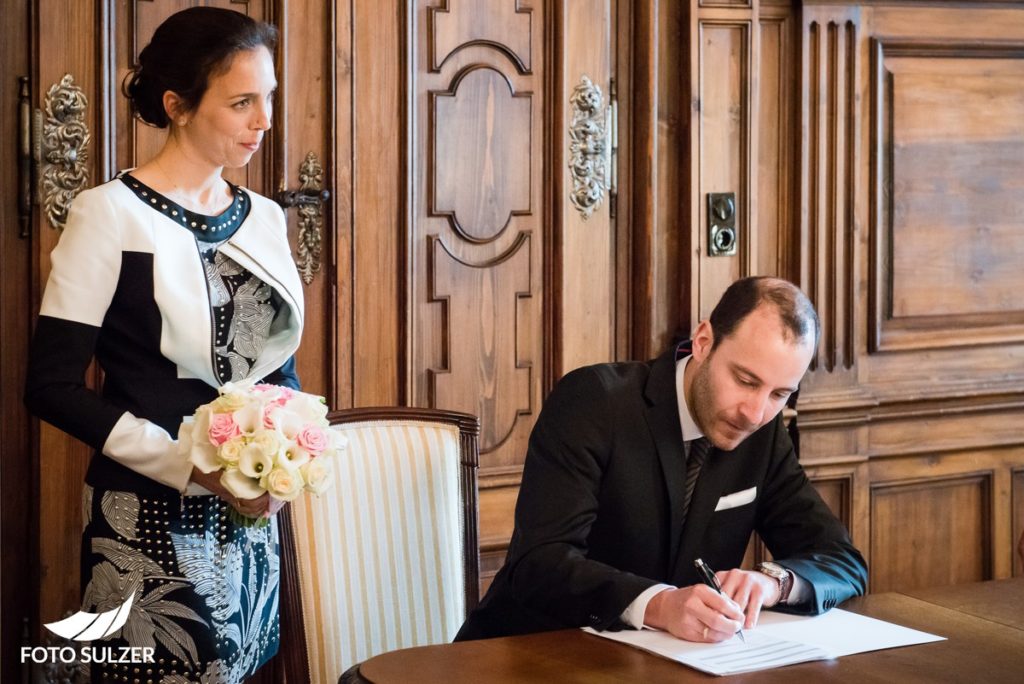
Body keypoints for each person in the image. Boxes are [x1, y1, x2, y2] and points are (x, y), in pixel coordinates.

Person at [24, 7, 302, 682]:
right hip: (146, 518)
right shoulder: (109, 214)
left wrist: (286, 457)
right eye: (241, 103)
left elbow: (277, 368)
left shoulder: (264, 218)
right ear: (177, 105)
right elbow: (50, 386)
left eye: (266, 98)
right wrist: (189, 464)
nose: (263, 121)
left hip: (249, 521)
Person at [456, 276, 867, 642]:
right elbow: (540, 564)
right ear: (703, 342)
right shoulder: (593, 402)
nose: (755, 413)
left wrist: (774, 583)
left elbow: (844, 562)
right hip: (532, 654)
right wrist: (660, 606)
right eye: (745, 381)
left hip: (666, 666)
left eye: (780, 395)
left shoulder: (762, 435)